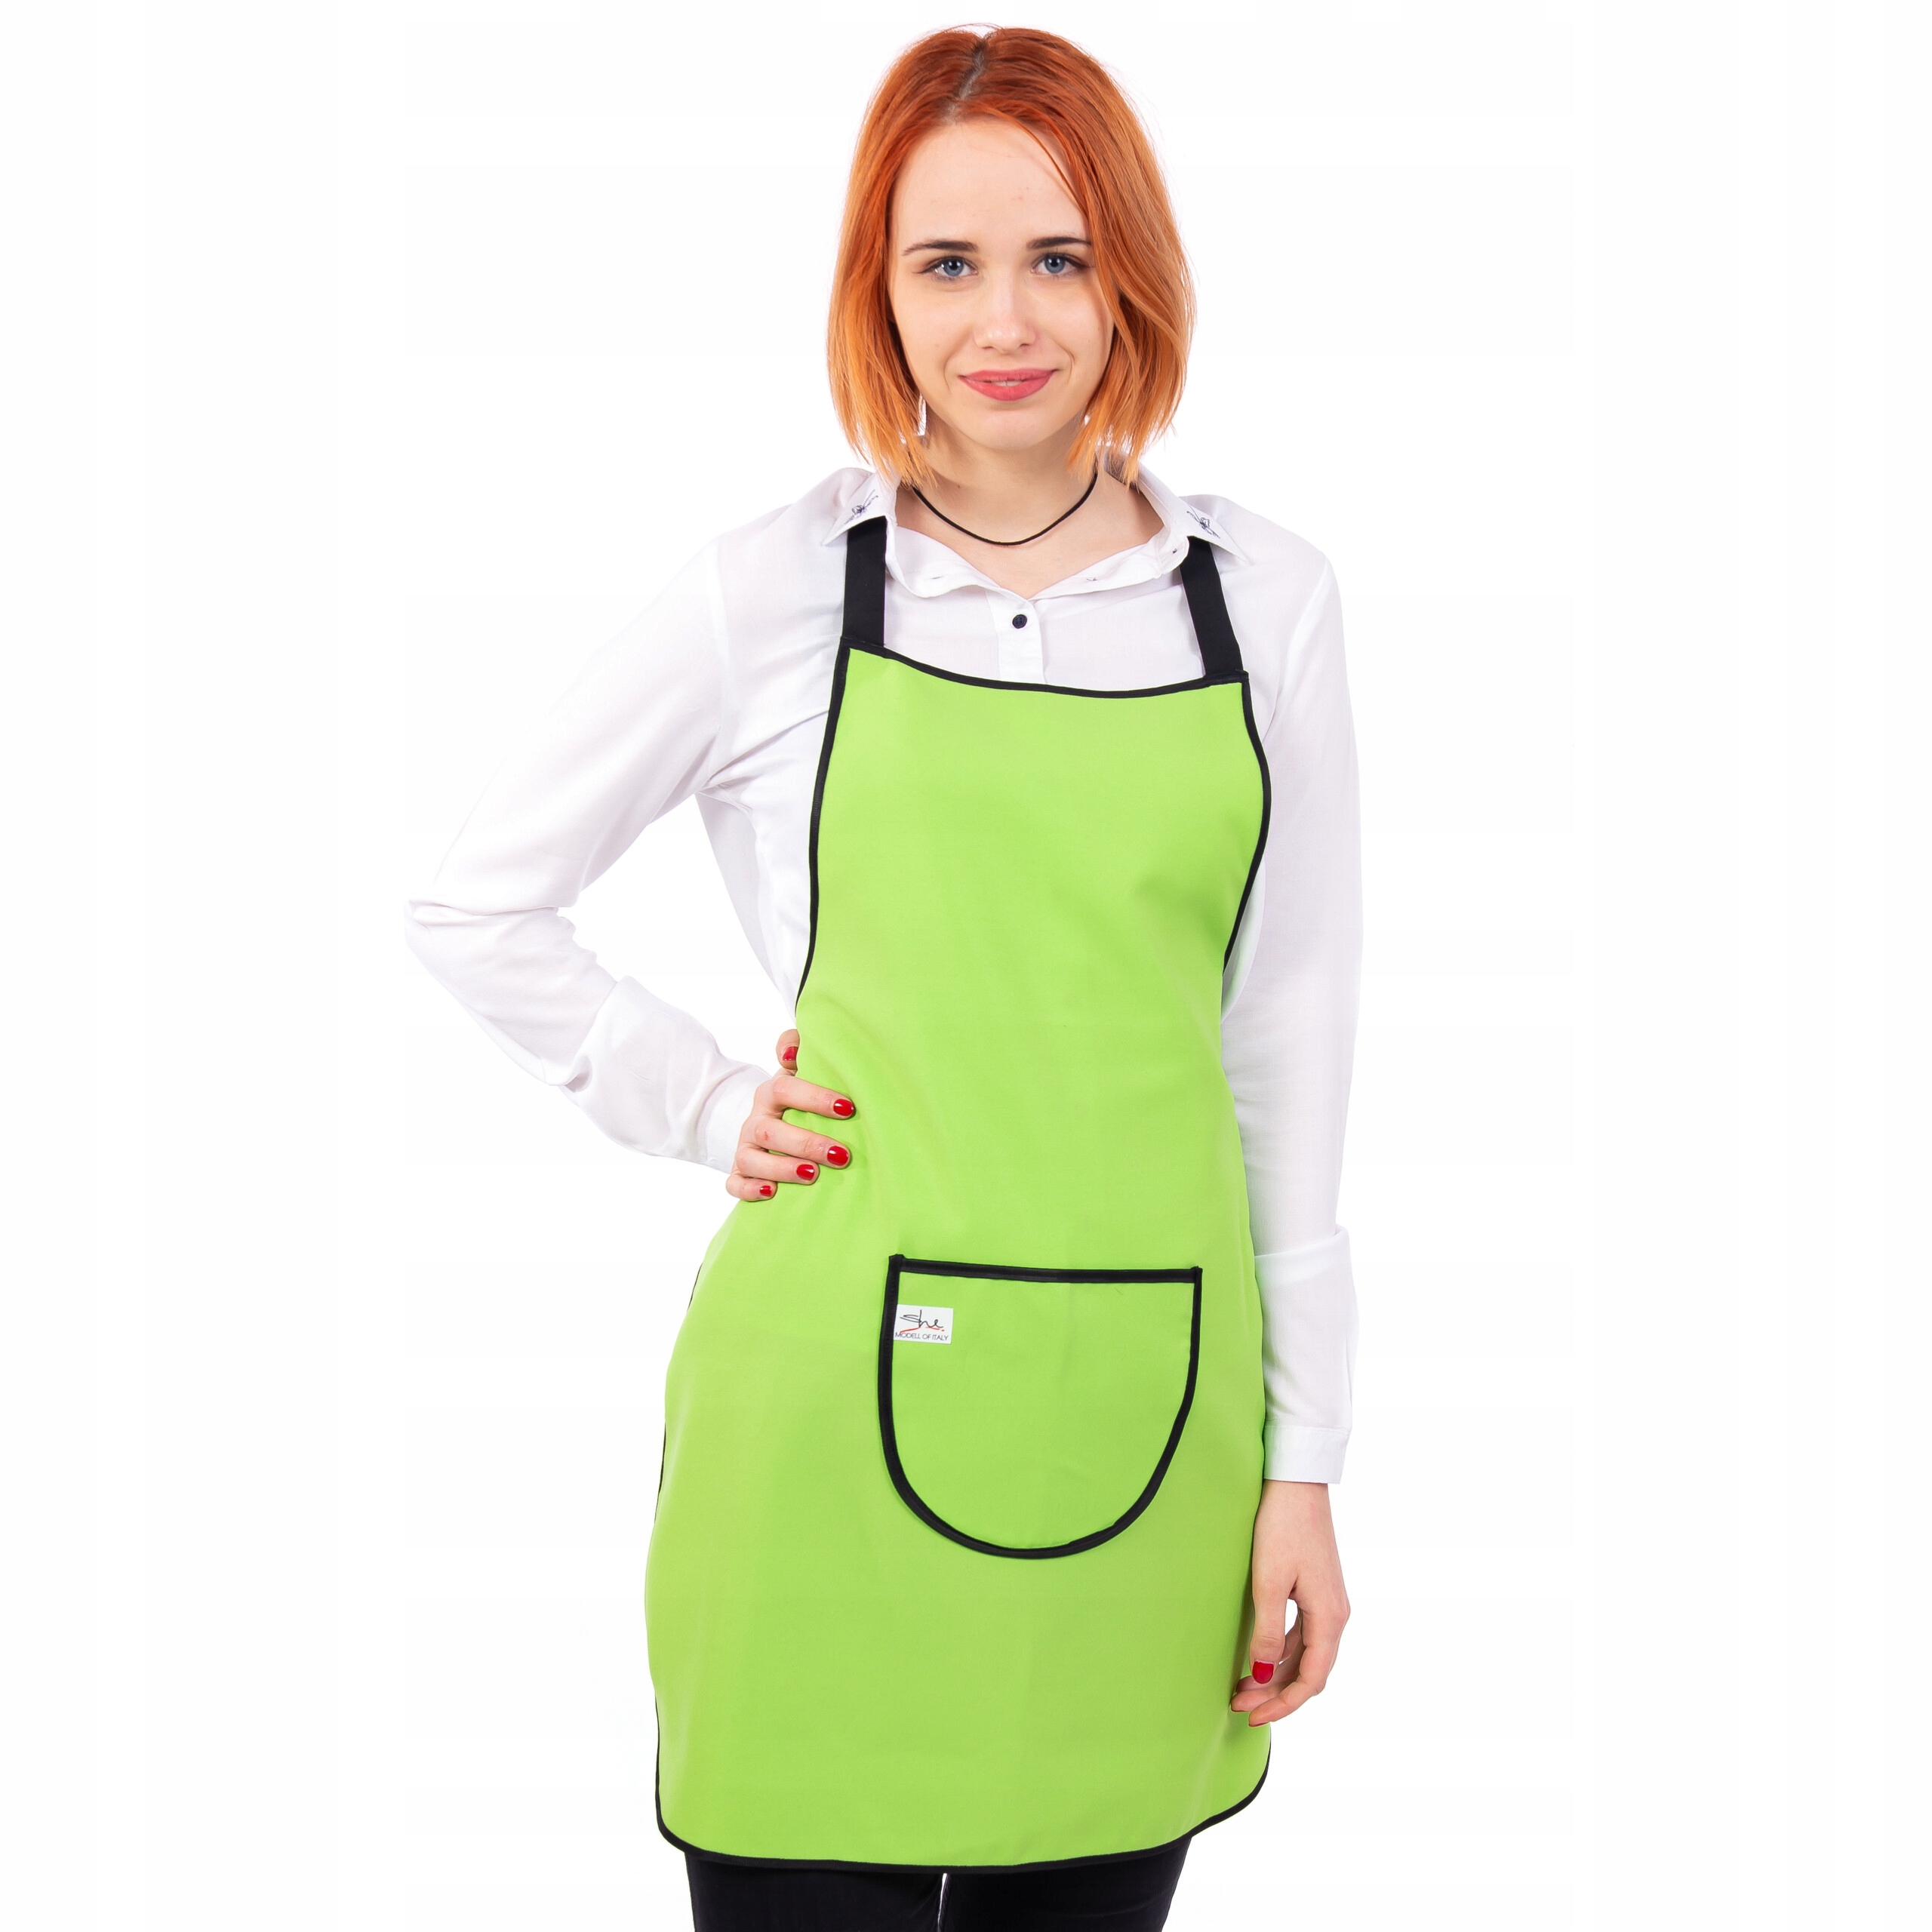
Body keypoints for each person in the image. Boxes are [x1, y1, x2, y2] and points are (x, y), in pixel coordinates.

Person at [405, 25, 1361, 1932]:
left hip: (1155, 1416)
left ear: (1130, 276)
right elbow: (474, 901)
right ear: (880, 290)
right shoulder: (775, 590)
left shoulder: (1262, 601)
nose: (1004, 319)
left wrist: (1305, 1461)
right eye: (946, 263)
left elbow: (1287, 1043)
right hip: (823, 1417)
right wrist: (697, 1101)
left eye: (1058, 256)